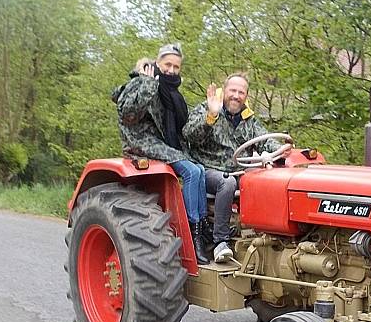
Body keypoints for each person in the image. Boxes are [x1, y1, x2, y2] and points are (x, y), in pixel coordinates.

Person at [112, 43, 209, 264]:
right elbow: (127, 114)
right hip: (142, 143)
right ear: (158, 63)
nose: (172, 70)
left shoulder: (172, 93)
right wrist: (146, 84)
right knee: (192, 172)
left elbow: (181, 127)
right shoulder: (139, 83)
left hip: (165, 145)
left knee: (200, 169)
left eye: (176, 67)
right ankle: (193, 237)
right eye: (168, 65)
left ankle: (203, 230)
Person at [183, 73, 282, 263]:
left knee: (266, 180)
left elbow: (265, 140)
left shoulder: (248, 119)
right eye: (233, 90)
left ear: (246, 96)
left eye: (241, 92)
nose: (236, 95)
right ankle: (220, 242)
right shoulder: (208, 108)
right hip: (207, 171)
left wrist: (281, 150)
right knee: (226, 182)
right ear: (224, 90)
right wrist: (210, 116)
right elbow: (189, 134)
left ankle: (266, 236)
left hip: (239, 171)